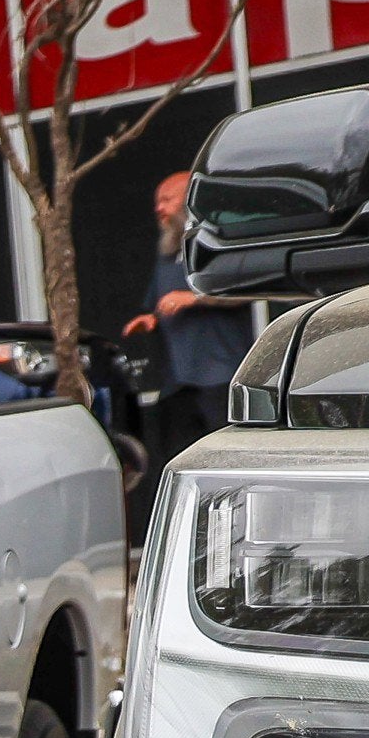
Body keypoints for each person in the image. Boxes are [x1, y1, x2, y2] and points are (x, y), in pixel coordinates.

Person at [124, 167, 251, 542]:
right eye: (157, 202)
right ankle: (185, 542)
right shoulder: (165, 250)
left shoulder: (215, 241)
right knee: (178, 467)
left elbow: (242, 291)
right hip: (176, 381)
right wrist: (148, 319)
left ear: (189, 199)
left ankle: (235, 539)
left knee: (227, 465)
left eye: (167, 199)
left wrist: (194, 298)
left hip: (218, 375)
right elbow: (157, 303)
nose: (159, 208)